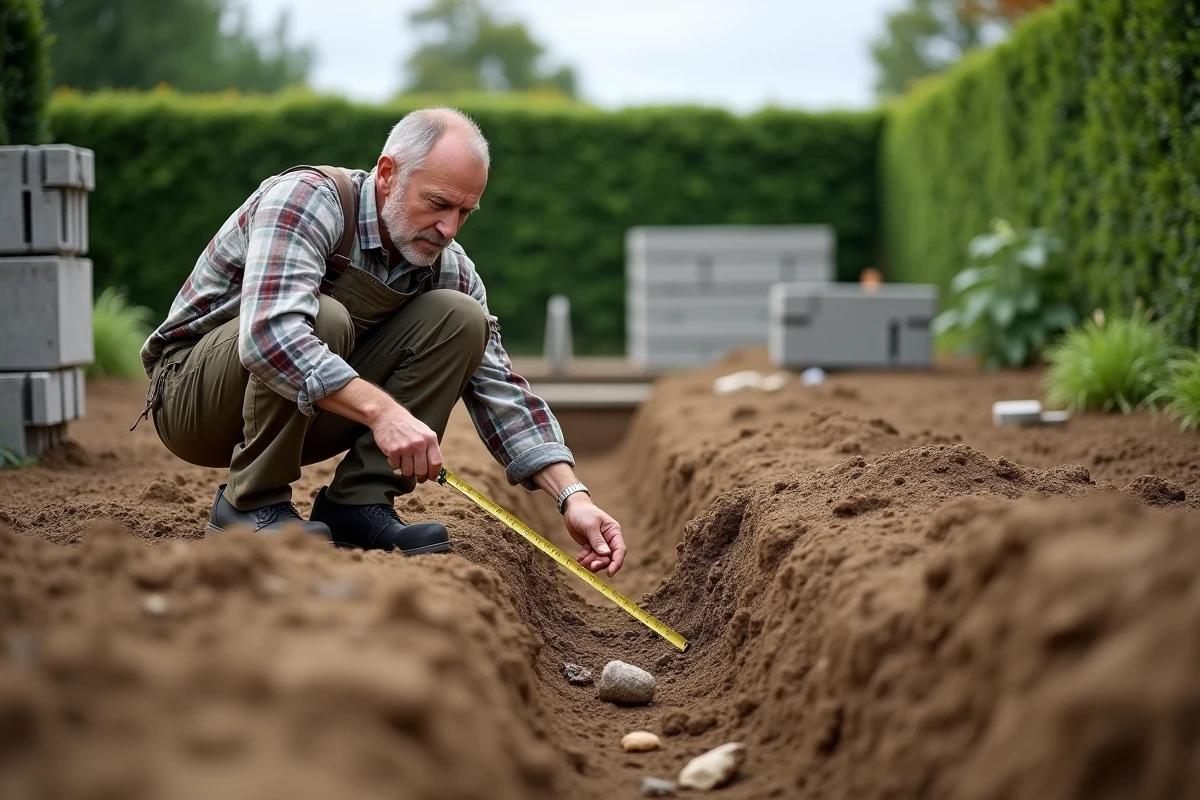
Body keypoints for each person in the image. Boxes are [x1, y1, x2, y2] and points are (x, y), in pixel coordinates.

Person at [136, 106, 627, 576]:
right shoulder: (307, 199)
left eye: (465, 212)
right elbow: (270, 336)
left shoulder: (447, 266)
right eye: (438, 204)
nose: (449, 228)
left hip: (301, 409)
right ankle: (250, 503)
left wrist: (573, 496)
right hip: (193, 401)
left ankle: (358, 503)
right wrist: (383, 412)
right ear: (388, 173)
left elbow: (500, 388)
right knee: (322, 319)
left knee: (462, 318)